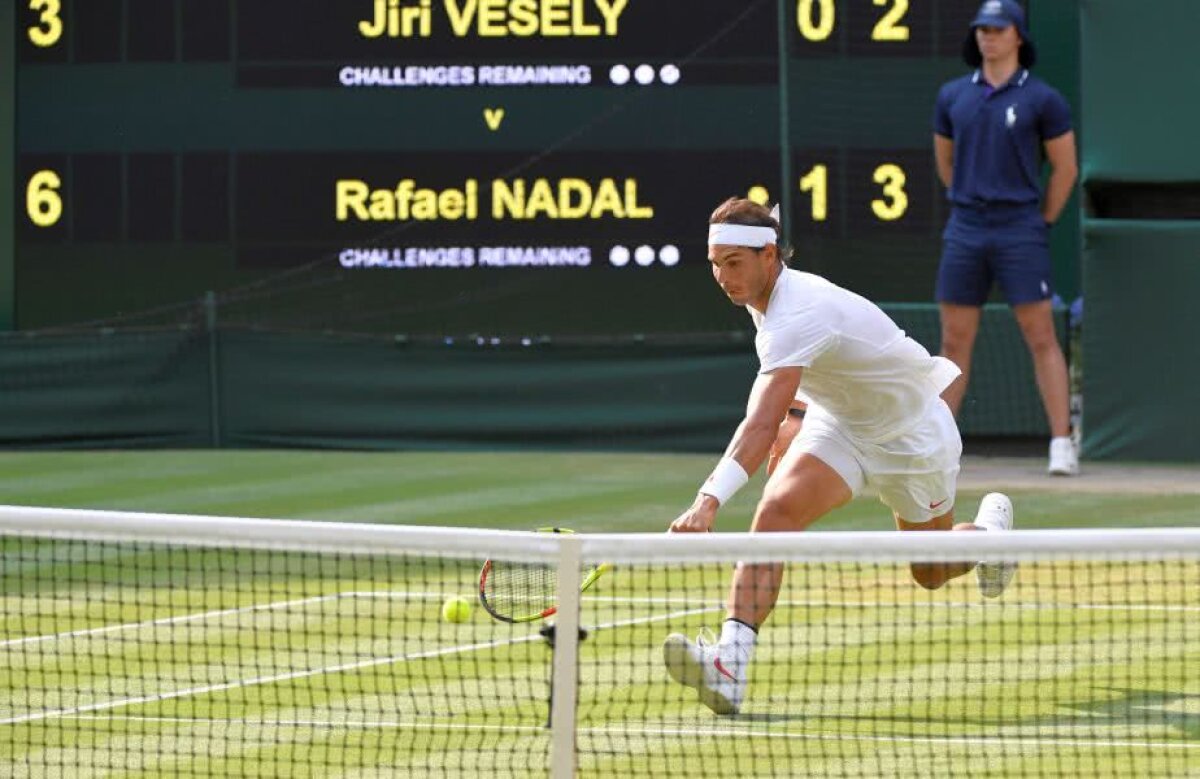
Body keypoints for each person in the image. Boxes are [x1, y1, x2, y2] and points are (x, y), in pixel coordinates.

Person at [662, 198, 1016, 716]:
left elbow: (759, 422)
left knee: (932, 570)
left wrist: (707, 501)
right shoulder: (765, 302)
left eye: (733, 263)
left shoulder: (799, 311)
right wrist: (797, 421)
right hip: (843, 425)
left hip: (911, 434)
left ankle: (989, 541)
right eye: (715, 264)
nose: (722, 276)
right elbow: (815, 380)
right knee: (775, 514)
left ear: (769, 256)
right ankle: (730, 665)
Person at [933, 0, 1079, 475]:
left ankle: (1062, 442)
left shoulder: (1043, 99)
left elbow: (1065, 168)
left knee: (1040, 335)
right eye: (981, 29)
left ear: (1017, 35)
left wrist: (1042, 221)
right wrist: (969, 198)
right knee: (954, 340)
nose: (987, 37)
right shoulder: (953, 95)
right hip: (966, 227)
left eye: (997, 29)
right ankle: (939, 443)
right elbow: (946, 164)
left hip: (1020, 228)